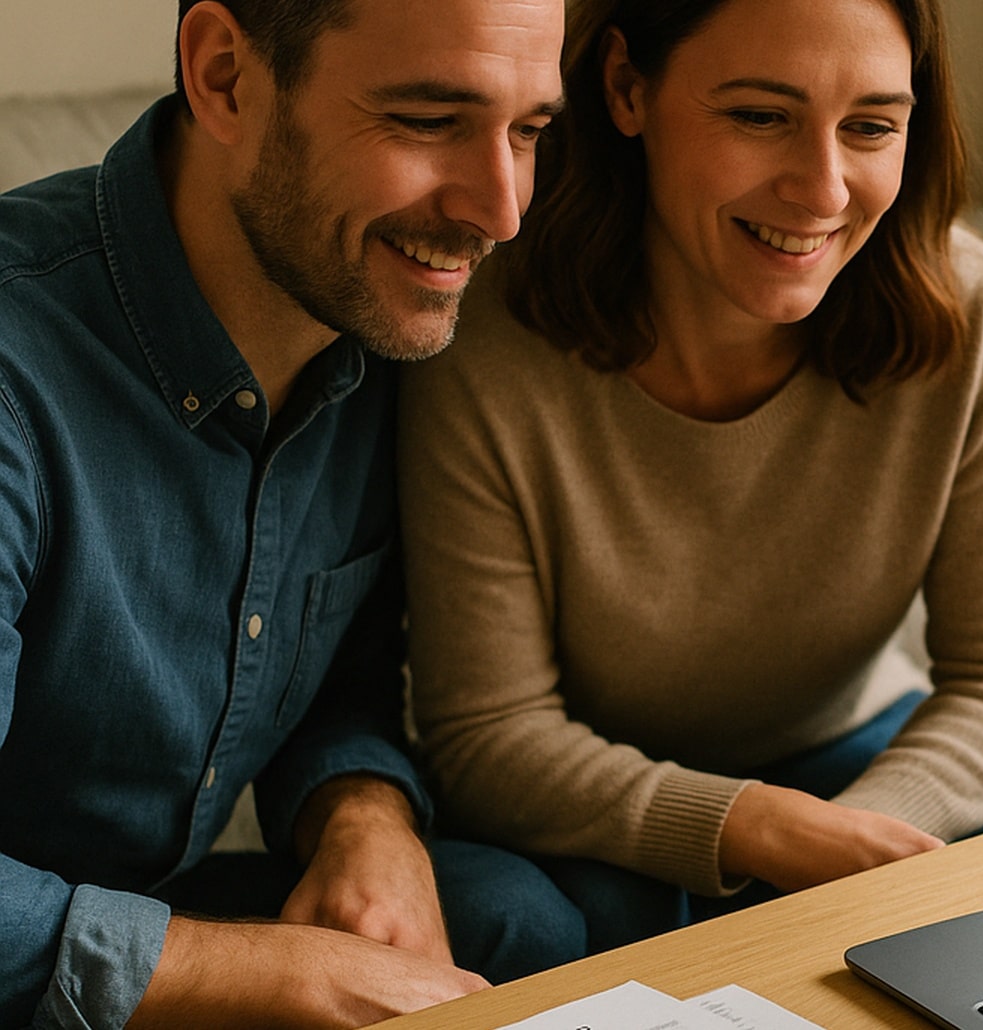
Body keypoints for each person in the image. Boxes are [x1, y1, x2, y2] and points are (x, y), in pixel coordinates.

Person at [398, 0, 983, 949]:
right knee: (507, 925)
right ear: (628, 89)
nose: (824, 191)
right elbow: (490, 733)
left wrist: (847, 847)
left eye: (871, 127)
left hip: (862, 761)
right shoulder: (482, 335)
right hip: (579, 812)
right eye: (761, 117)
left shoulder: (971, 309)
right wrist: (753, 831)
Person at [0, 0, 578, 1026]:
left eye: (528, 131)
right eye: (430, 120)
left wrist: (362, 811)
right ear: (226, 75)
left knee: (517, 917)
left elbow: (336, 673)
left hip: (156, 905)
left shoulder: (377, 315)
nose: (502, 210)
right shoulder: (16, 377)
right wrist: (286, 974)